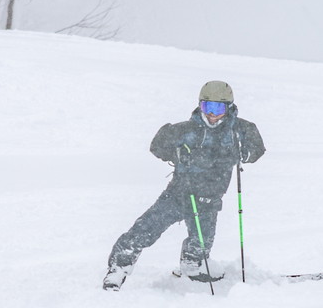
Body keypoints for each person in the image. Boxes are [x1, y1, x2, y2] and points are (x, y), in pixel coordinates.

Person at [103, 80, 265, 291]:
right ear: (200, 106)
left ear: (229, 108)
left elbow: (257, 148)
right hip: (179, 194)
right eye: (208, 107)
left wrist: (247, 151)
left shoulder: (239, 130)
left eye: (219, 108)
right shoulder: (186, 130)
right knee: (144, 230)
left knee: (203, 242)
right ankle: (118, 269)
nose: (213, 114)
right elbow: (157, 145)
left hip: (210, 199)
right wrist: (175, 153)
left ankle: (192, 267)